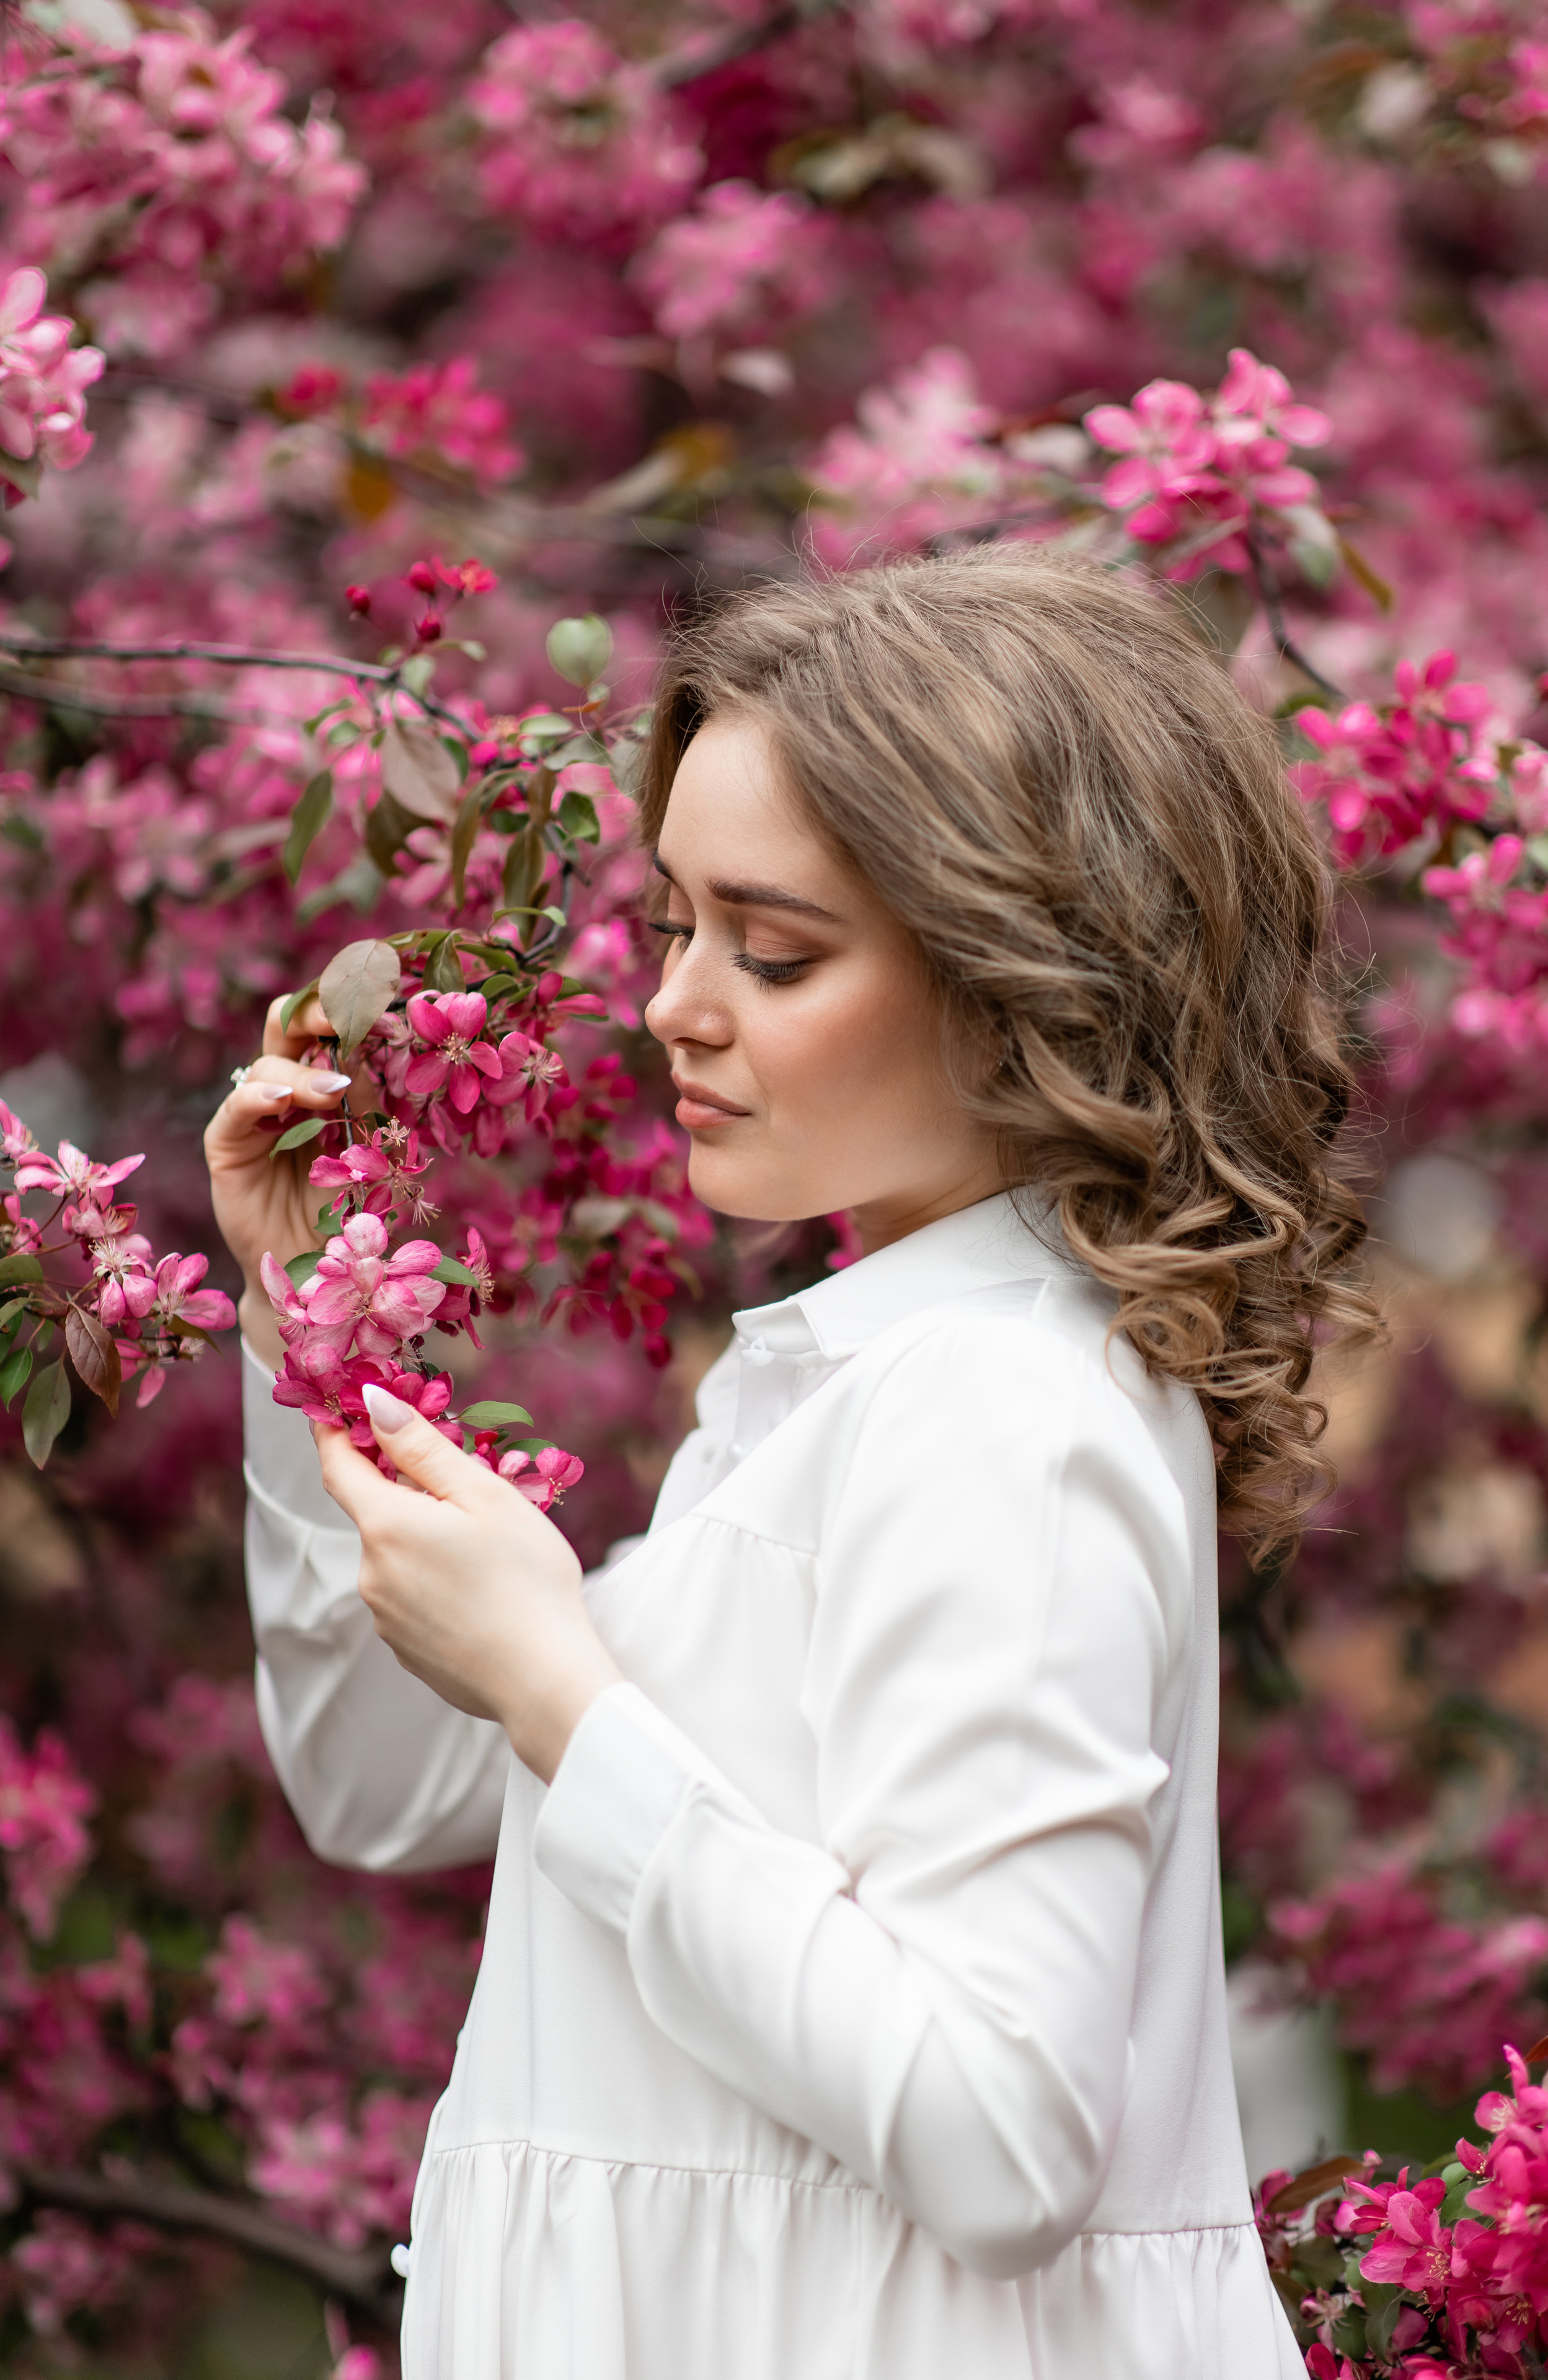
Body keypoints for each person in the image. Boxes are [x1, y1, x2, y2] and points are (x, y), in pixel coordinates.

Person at [205, 546, 1371, 2379]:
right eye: (675, 925)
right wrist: (305, 1341)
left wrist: (564, 1692)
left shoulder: (1003, 1413)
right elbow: (381, 1786)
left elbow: (1002, 2138)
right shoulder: (849, 1393)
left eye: (776, 950)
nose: (674, 1003)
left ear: (1026, 981)